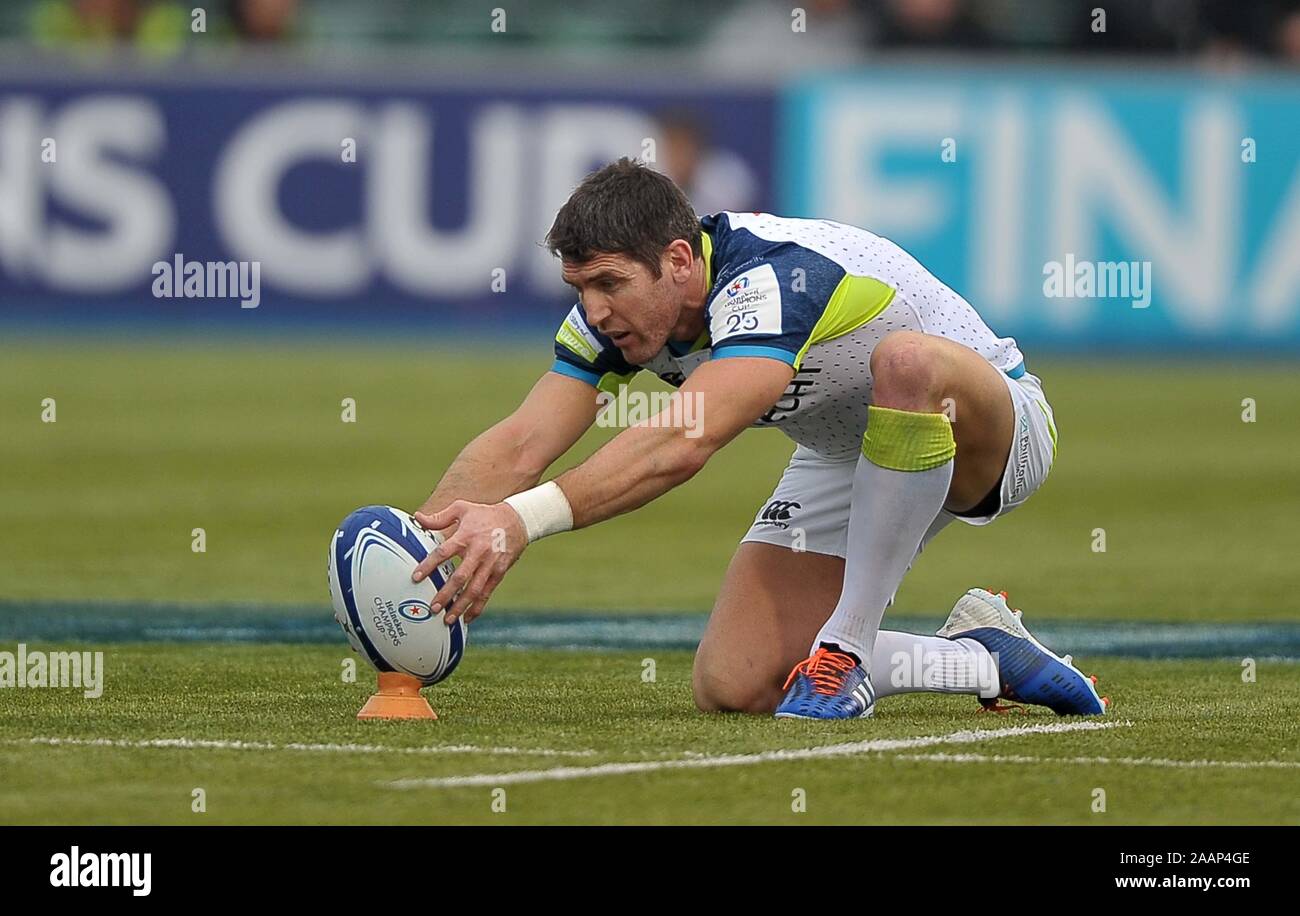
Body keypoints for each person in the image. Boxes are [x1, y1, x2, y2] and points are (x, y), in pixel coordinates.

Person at [410, 158, 1107, 720]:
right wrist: (418, 551)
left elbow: (684, 439)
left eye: (609, 283)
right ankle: (986, 658)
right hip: (850, 449)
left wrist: (518, 522)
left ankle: (848, 644)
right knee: (735, 682)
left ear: (680, 260)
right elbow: (523, 441)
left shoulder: (774, 276)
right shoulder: (615, 318)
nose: (594, 309)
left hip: (993, 425)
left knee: (907, 361)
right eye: (579, 287)